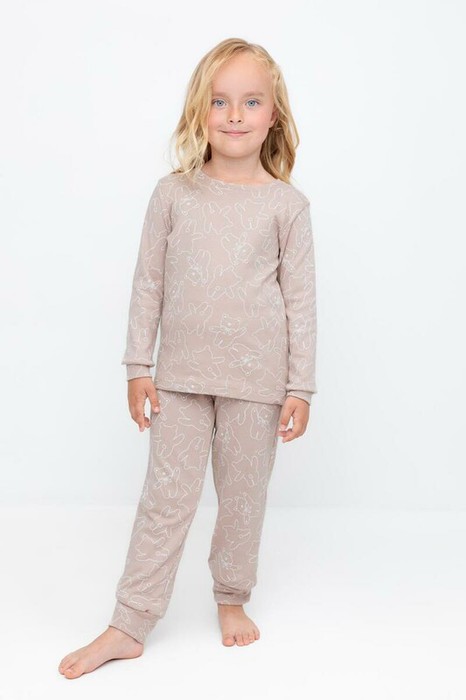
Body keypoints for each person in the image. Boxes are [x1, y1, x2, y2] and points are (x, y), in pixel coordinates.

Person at [58, 36, 317, 679]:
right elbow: (148, 283)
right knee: (165, 499)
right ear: (199, 111)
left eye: (250, 101)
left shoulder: (288, 206)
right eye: (220, 101)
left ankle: (231, 596)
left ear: (273, 114)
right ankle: (129, 622)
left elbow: (301, 301)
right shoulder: (172, 194)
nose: (235, 115)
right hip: (178, 377)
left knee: (243, 498)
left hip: (258, 381)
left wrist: (300, 387)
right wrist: (137, 368)